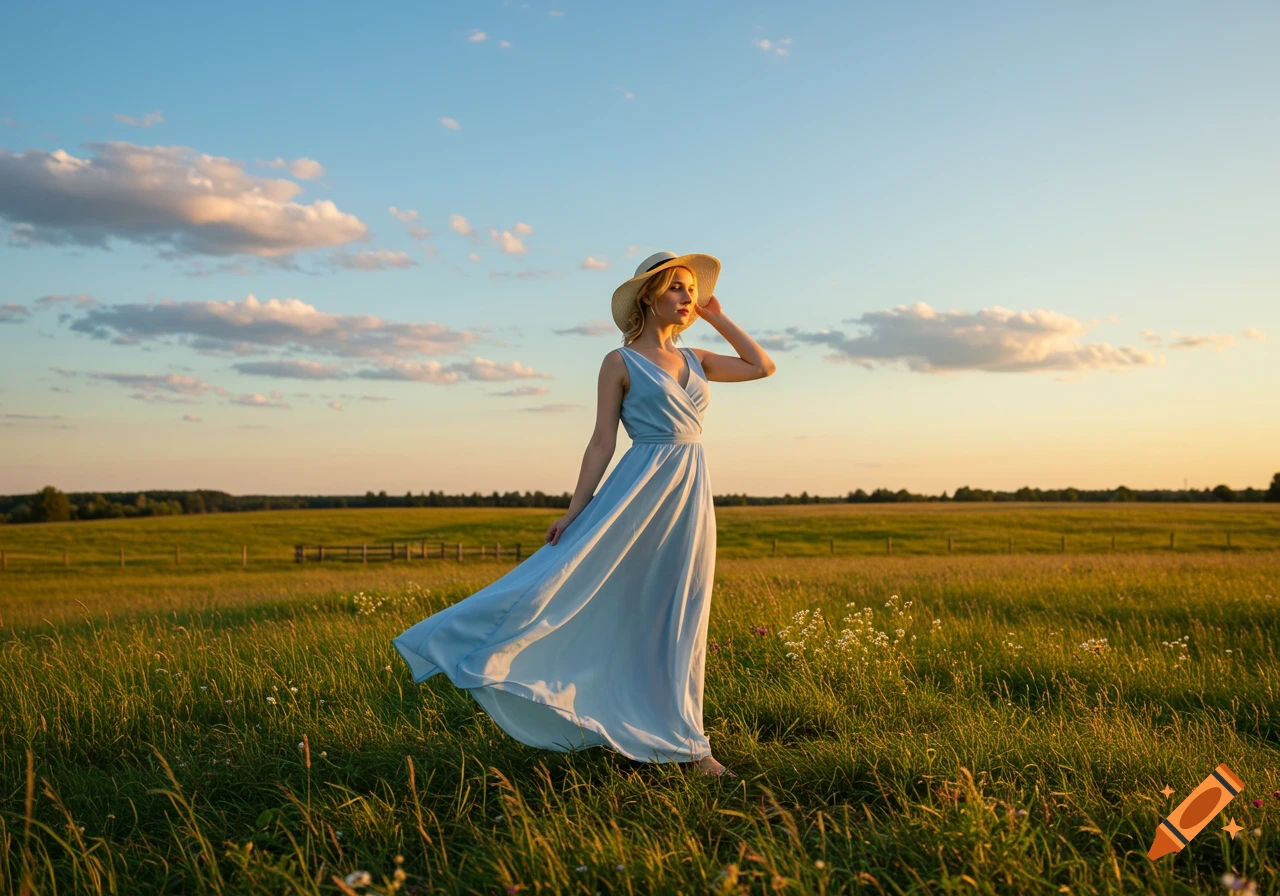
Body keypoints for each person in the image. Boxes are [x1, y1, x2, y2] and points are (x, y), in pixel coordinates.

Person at [391, 250, 776, 777]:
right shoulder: (618, 362)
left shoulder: (698, 359)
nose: (688, 299)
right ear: (648, 296)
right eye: (677, 290)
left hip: (688, 490)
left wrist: (717, 316)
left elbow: (762, 367)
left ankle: (678, 738)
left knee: (683, 612)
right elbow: (600, 442)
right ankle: (685, 747)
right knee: (589, 592)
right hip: (639, 489)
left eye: (692, 290)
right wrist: (575, 512)